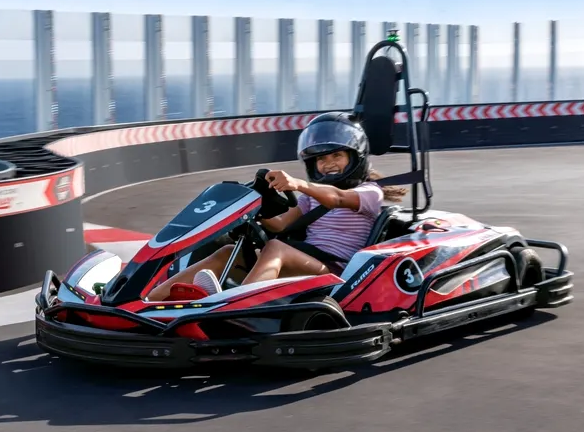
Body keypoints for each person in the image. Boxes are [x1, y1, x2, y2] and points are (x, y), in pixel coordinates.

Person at [146, 112, 409, 301]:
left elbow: (337, 198)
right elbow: (280, 224)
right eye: (321, 159)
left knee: (275, 248)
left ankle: (232, 305)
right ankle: (149, 302)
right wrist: (255, 210)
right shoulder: (310, 198)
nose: (329, 163)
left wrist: (298, 184)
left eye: (337, 155)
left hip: (337, 271)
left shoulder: (369, 192)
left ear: (355, 157)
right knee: (228, 250)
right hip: (303, 260)